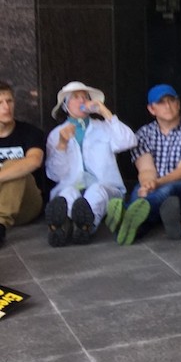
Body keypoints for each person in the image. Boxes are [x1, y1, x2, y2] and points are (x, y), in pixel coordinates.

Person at [106, 84, 181, 244]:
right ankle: (132, 228)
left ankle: (125, 213)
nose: (167, 106)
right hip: (154, 182)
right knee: (139, 192)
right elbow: (146, 169)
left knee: (167, 190)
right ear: (152, 109)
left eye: (171, 100)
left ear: (178, 103)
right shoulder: (143, 134)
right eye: (161, 102)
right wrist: (147, 184)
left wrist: (157, 183)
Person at [44, 81, 138, 246]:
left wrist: (105, 112)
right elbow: (55, 174)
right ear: (65, 105)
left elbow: (129, 141)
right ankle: (64, 226)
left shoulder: (103, 127)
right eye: (76, 97)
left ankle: (84, 226)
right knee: (67, 194)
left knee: (96, 192)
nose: (82, 100)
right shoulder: (56, 134)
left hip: (106, 187)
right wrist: (62, 144)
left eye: (85, 97)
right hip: (72, 185)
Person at [0, 81, 45, 248]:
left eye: (9, 101)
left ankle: (0, 224)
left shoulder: (29, 132)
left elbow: (34, 161)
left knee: (17, 165)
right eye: (0, 103)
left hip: (26, 204)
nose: (6, 107)